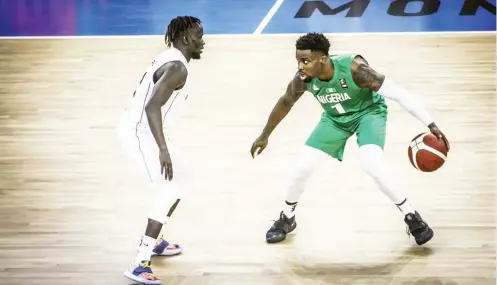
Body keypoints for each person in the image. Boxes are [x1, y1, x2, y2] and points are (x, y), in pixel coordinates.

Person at [250, 32, 449, 246]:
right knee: (302, 167)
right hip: (335, 119)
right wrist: (265, 135)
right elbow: (286, 102)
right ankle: (287, 217)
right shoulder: (304, 79)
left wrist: (430, 123)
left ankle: (412, 217)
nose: (300, 66)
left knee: (371, 164)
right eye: (298, 60)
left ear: (323, 59)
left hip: (369, 113)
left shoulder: (356, 70)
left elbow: (399, 94)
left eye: (305, 61)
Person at [116, 16, 204, 285]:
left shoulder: (170, 57)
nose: (203, 42)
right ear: (186, 38)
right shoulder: (177, 67)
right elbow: (152, 106)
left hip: (151, 133)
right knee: (169, 189)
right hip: (140, 135)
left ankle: (157, 241)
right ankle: (140, 263)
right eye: (199, 36)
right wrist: (163, 149)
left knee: (183, 178)